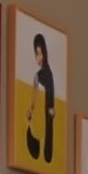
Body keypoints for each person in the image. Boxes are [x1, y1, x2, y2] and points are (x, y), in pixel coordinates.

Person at [26, 32, 55, 163]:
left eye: (40, 53)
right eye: (36, 54)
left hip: (45, 114)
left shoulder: (47, 75)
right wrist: (31, 109)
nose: (38, 57)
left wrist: (51, 110)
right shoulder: (37, 75)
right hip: (40, 114)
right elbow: (34, 95)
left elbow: (50, 95)